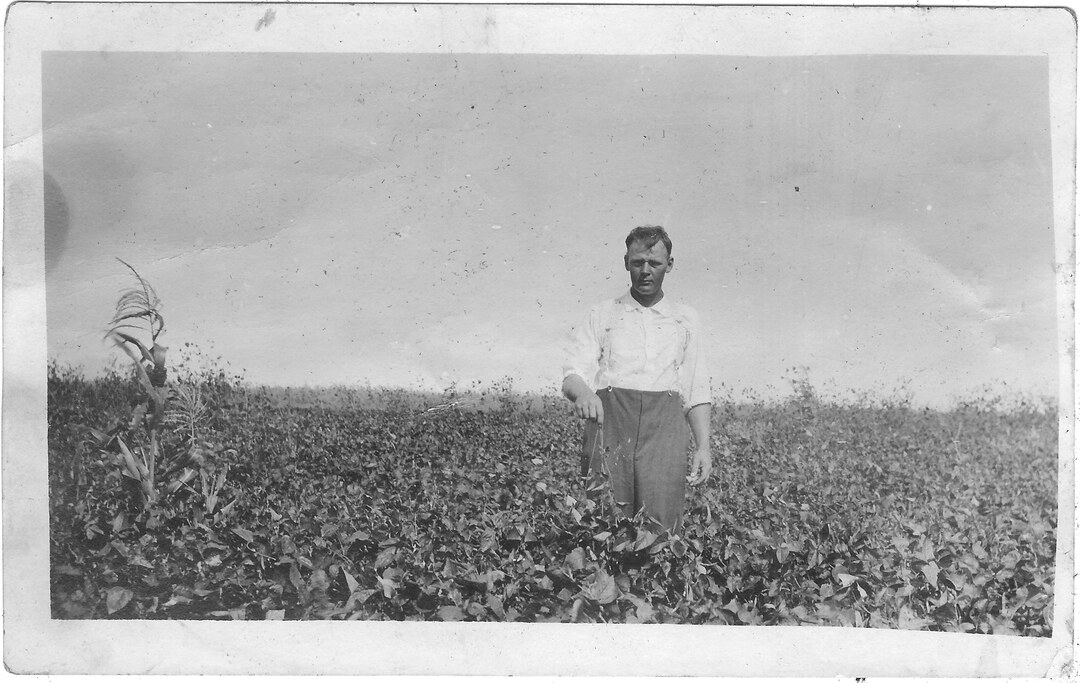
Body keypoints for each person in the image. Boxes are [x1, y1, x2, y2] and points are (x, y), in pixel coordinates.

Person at [562, 225, 712, 534]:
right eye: (637, 262)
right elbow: (572, 374)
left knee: (660, 525)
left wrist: (703, 447)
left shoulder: (685, 319)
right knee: (604, 519)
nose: (645, 271)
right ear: (626, 262)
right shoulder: (602, 313)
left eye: (654, 263)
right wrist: (584, 395)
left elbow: (696, 389)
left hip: (664, 428)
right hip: (610, 424)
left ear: (669, 265)